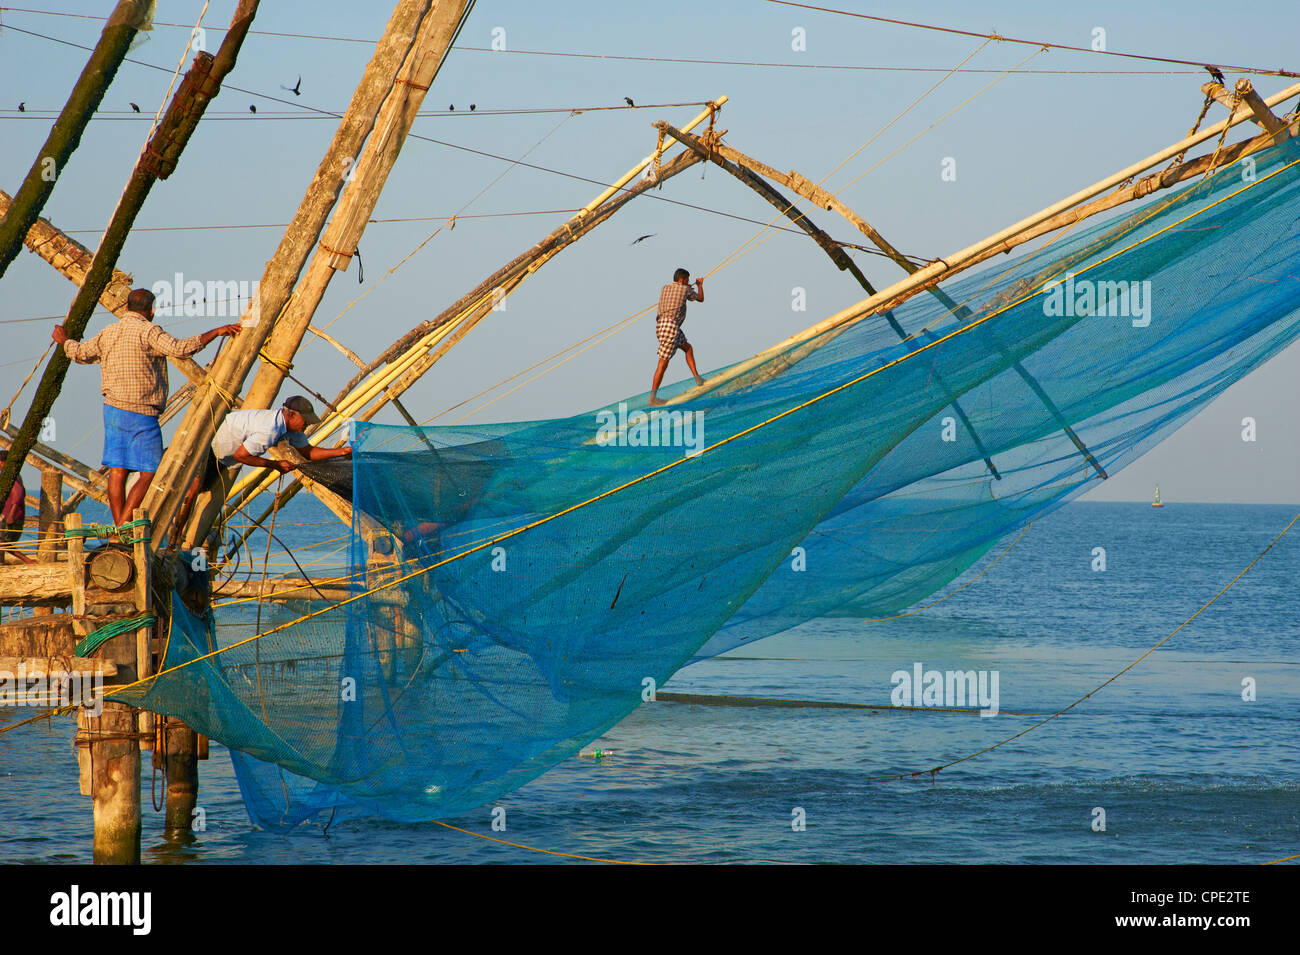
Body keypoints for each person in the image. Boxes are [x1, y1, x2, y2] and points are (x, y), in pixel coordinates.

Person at [54, 288, 241, 525]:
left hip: (112, 409)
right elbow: (181, 349)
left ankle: (120, 526)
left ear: (126, 306)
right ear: (151, 311)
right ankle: (123, 526)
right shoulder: (149, 331)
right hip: (142, 411)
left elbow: (80, 353)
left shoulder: (109, 332)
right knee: (150, 471)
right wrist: (215, 332)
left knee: (117, 469)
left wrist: (64, 340)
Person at [177, 396, 351, 550]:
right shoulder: (270, 429)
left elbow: (307, 452)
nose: (306, 424)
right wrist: (275, 465)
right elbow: (242, 455)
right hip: (208, 447)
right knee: (190, 492)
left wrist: (340, 452)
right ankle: (174, 542)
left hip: (222, 458)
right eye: (304, 420)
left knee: (198, 491)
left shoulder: (292, 429)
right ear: (291, 415)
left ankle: (178, 540)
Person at [649, 267, 705, 405]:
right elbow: (700, 298)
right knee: (663, 363)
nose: (688, 282)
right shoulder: (685, 289)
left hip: (662, 326)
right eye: (687, 280)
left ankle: (697, 378)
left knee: (688, 348)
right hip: (670, 327)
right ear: (681, 280)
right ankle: (652, 398)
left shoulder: (665, 288)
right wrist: (699, 285)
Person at [0, 449, 35, 565]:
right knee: (3, 542)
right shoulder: (9, 476)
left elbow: (18, 496)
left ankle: (28, 561)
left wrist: (11, 515)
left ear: (2, 462)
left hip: (12, 517)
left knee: (3, 542)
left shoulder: (13, 477)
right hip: (7, 515)